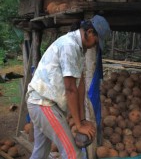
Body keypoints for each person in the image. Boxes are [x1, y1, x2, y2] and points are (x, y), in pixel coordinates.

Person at [26, 15, 111, 159]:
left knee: (40, 153)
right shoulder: (69, 46)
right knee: (73, 154)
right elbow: (70, 88)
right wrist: (78, 125)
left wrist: (82, 120)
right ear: (90, 32)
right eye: (96, 42)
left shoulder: (79, 49)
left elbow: (80, 85)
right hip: (43, 104)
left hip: (42, 103)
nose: (95, 45)